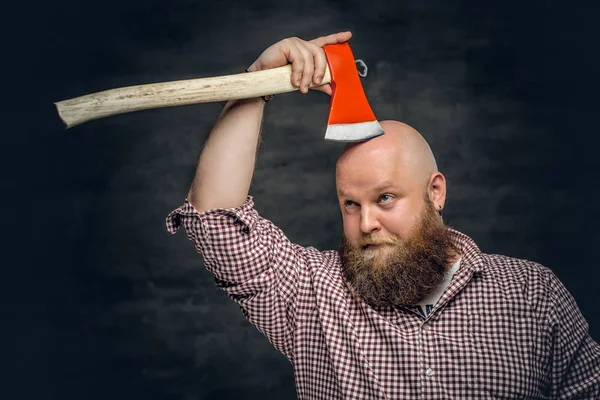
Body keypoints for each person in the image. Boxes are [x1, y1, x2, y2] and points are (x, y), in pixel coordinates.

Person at [166, 32, 600, 399]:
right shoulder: (312, 295)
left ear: (436, 192)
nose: (366, 223)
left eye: (386, 198)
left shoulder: (531, 294)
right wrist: (258, 80)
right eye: (350, 204)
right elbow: (215, 216)